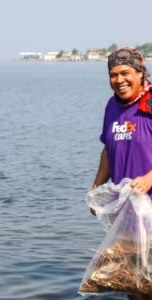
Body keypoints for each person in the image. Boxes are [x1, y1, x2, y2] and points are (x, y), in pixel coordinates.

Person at [92, 47, 152, 300]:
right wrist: (97, 187)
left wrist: (150, 178)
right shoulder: (112, 106)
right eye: (113, 74)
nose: (119, 80)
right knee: (131, 281)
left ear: (140, 73)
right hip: (127, 210)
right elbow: (109, 148)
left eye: (125, 73)